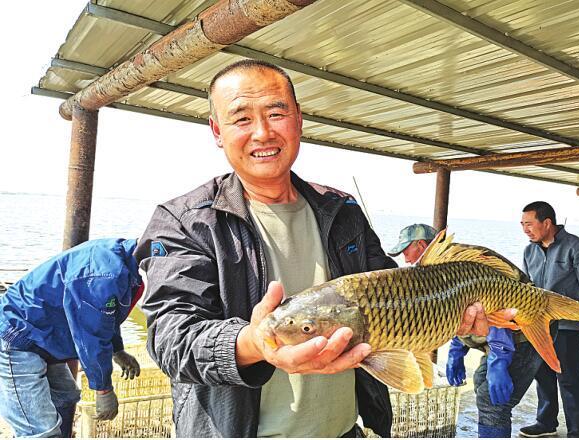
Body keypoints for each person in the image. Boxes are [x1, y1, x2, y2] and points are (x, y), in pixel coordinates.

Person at [134, 59, 504, 438]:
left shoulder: (342, 211)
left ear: (298, 119)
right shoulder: (183, 220)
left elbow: (399, 299)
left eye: (276, 113)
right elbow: (170, 336)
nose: (262, 132)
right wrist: (255, 343)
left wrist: (447, 317)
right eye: (241, 119)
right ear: (217, 130)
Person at [390, 223, 539, 437]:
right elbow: (460, 312)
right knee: (480, 382)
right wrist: (457, 351)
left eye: (406, 251)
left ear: (421, 244)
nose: (405, 259)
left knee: (492, 402)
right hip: (497, 337)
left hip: (522, 334)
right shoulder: (438, 270)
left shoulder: (461, 263)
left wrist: (500, 360)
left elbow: (497, 309)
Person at [0, 238, 143, 437]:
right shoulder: (104, 274)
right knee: (40, 430)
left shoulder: (127, 264)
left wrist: (117, 350)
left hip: (45, 337)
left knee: (66, 398)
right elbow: (90, 336)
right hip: (16, 335)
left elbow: (108, 317)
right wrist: (103, 389)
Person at [518, 201, 579, 438]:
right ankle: (546, 422)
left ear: (546, 223)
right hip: (538, 325)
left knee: (569, 378)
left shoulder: (578, 249)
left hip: (567, 326)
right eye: (522, 224)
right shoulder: (529, 251)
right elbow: (525, 288)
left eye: (529, 224)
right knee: (542, 374)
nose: (525, 229)